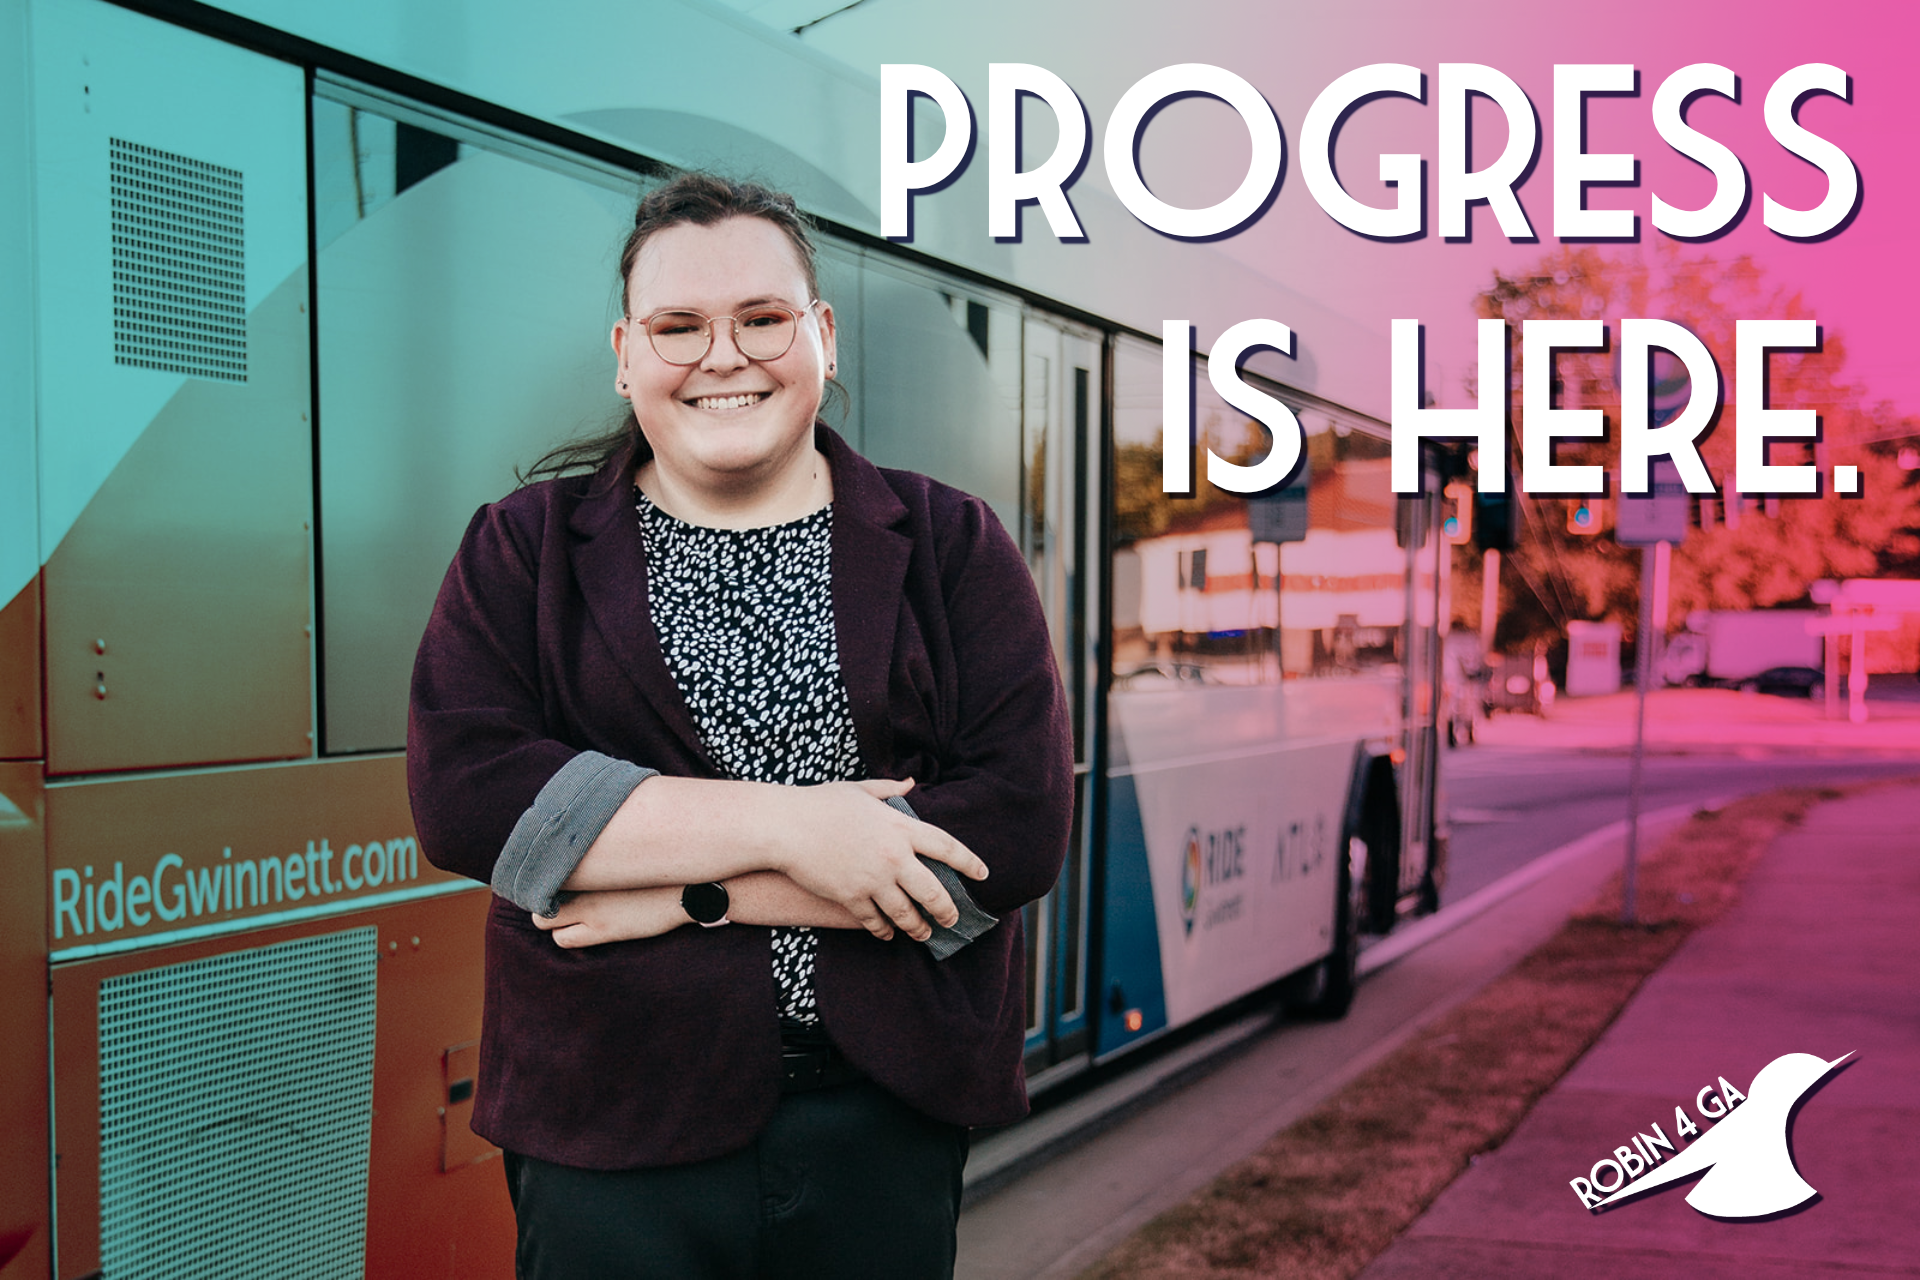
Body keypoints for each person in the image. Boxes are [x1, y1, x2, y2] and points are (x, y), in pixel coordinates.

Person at [407, 172, 1074, 1279]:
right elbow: (471, 795)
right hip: (604, 1131)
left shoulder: (955, 545)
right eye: (680, 327)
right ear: (626, 355)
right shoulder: (519, 549)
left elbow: (1015, 827)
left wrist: (689, 890)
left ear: (821, 334)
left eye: (762, 319)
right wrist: (803, 826)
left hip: (882, 1118)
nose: (724, 355)